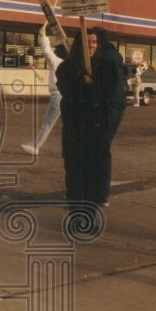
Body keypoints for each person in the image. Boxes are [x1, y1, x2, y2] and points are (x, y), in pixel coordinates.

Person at [55, 26, 126, 218]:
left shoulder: (105, 67)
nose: (91, 46)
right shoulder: (68, 68)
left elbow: (110, 93)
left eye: (94, 42)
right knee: (74, 172)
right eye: (87, 42)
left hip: (96, 128)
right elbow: (66, 91)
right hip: (75, 129)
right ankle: (76, 213)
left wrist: (94, 84)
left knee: (92, 172)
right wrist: (81, 83)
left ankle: (89, 214)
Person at [21, 28, 66, 156]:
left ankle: (36, 146)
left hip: (57, 95)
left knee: (48, 123)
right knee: (68, 126)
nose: (54, 52)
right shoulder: (66, 63)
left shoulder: (57, 62)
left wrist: (43, 37)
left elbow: (46, 51)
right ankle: (69, 150)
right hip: (65, 96)